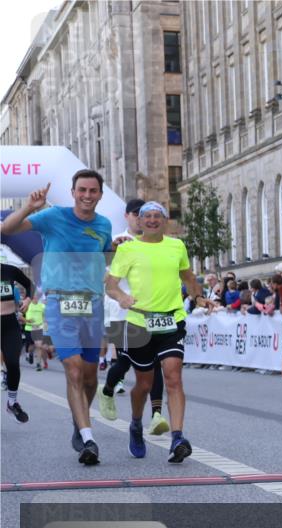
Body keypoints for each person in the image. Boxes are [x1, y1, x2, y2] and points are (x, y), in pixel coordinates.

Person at [1, 172, 113, 465]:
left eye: (93, 191)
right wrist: (28, 208)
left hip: (92, 305)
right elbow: (7, 229)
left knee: (90, 377)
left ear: (100, 194)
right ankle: (88, 438)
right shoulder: (53, 216)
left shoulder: (104, 225)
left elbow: (104, 259)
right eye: (82, 190)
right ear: (73, 192)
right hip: (60, 301)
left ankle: (80, 421)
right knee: (74, 369)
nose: (87, 196)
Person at [105, 201, 208, 463]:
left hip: (171, 321)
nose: (152, 220)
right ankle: (136, 425)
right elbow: (111, 285)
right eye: (146, 216)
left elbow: (188, 277)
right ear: (139, 221)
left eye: (157, 216)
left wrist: (198, 297)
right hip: (139, 324)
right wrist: (122, 297)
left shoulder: (177, 246)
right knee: (144, 384)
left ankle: (177, 438)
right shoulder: (127, 249)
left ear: (165, 220)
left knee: (173, 377)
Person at [98, 198, 170, 436]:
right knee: (126, 361)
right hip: (121, 312)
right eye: (139, 213)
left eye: (150, 214)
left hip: (152, 311)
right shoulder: (117, 241)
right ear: (128, 216)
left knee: (156, 361)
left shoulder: (157, 242)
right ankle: (107, 390)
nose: (144, 218)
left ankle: (157, 415)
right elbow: (104, 279)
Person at [1, 263, 34, 422]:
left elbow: (29, 284)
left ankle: (12, 402)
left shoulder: (9, 270)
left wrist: (27, 300)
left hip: (9, 324)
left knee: (13, 363)